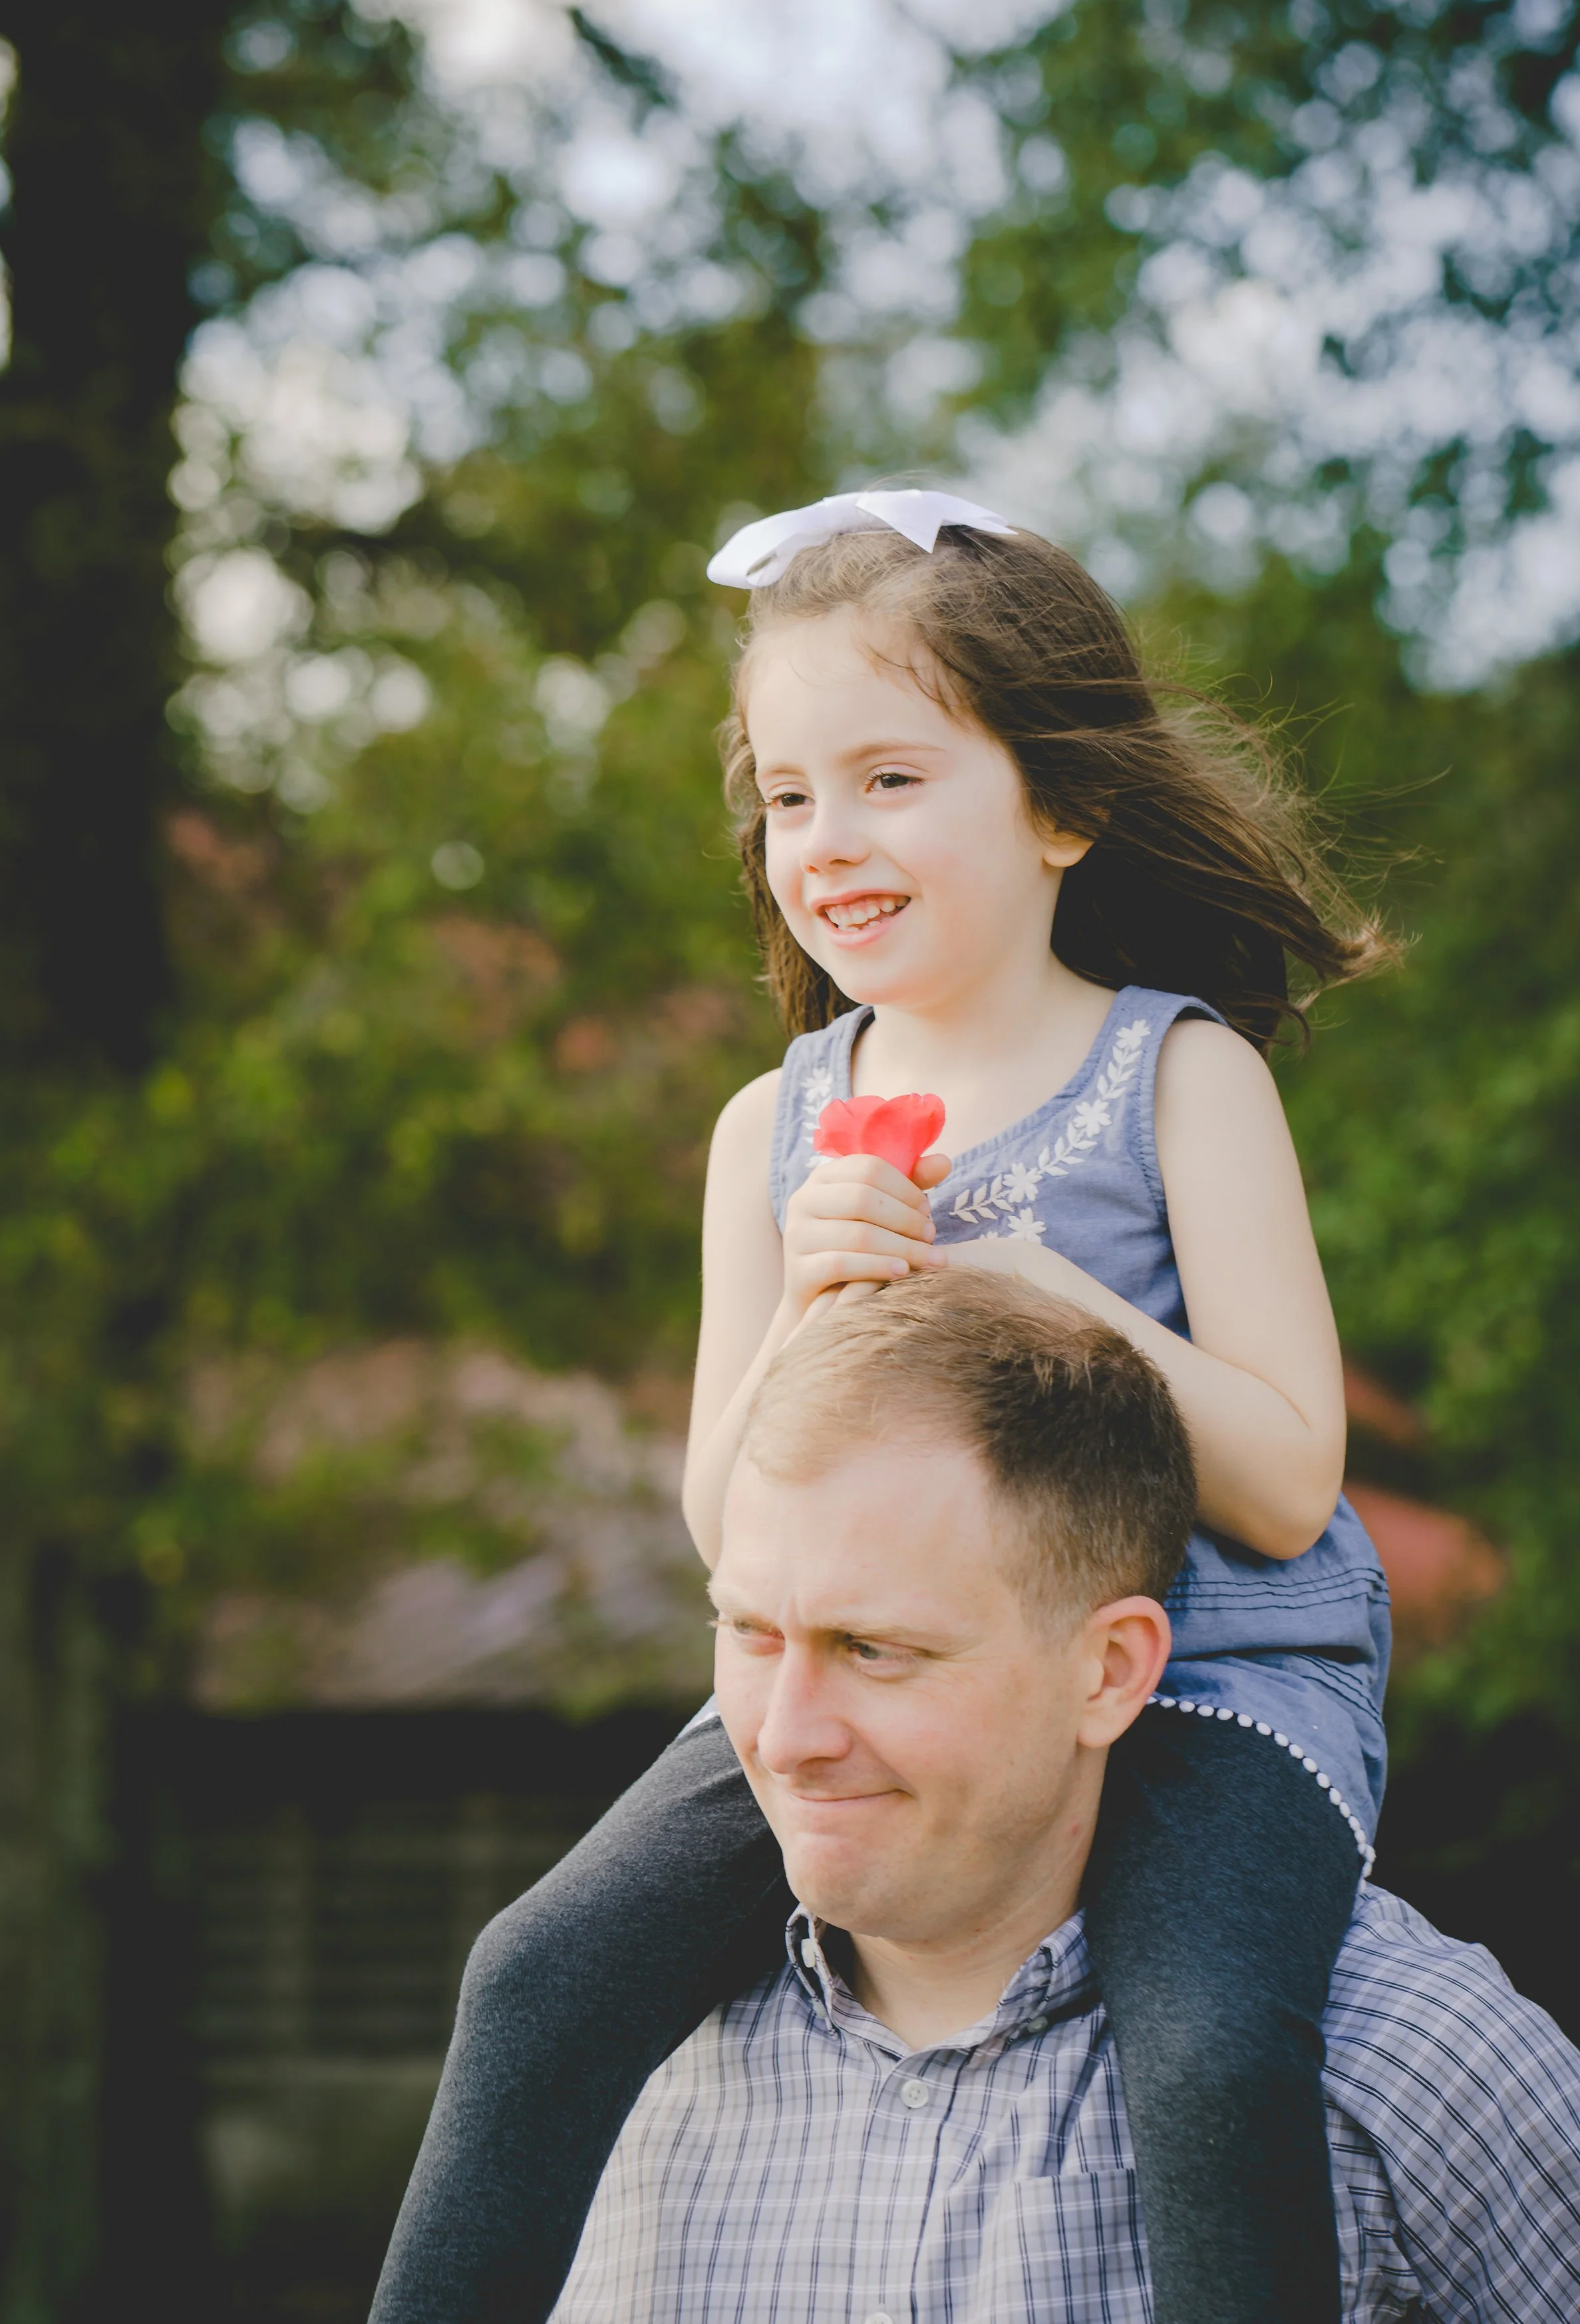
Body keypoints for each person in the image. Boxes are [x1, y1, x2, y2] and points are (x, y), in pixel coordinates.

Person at [371, 488, 1400, 2324]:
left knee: (1210, 2056)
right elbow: (721, 1513)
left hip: (1207, 1680)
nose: (823, 836)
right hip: (854, 1665)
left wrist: (1049, 1295)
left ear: (1062, 806)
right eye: (785, 794)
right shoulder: (768, 1134)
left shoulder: (1177, 1076)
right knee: (531, 1974)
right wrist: (817, 1310)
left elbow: (1282, 1475)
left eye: (889, 778)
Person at [555, 1270, 1580, 2321]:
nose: (786, 1738)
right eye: (750, 1631)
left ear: (1110, 1670)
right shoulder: (610, 2068)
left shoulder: (1414, 2064)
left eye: (876, 1649)